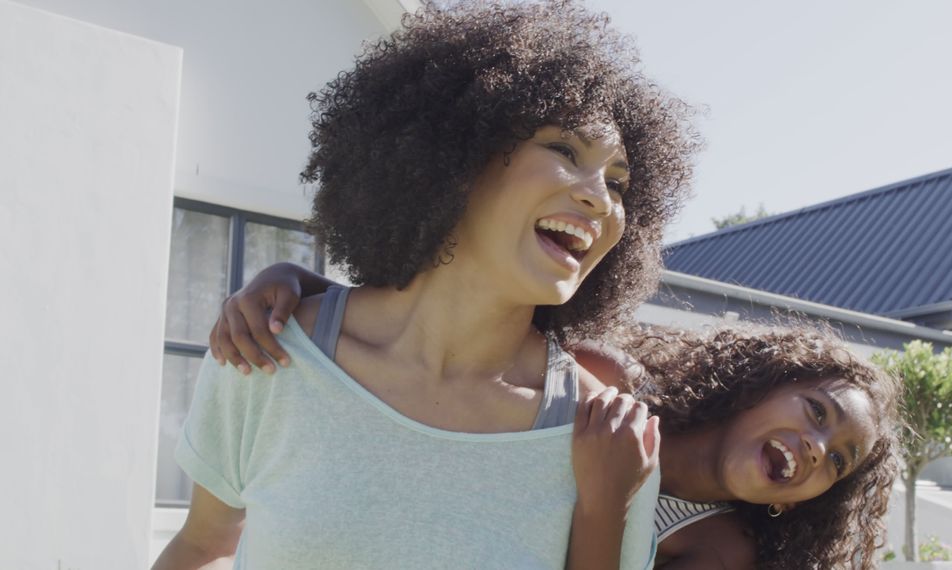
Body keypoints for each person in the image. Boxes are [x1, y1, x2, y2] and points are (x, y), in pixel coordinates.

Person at [153, 1, 699, 569]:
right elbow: (201, 547)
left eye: (618, 184)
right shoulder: (268, 349)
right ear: (457, 152)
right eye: (565, 150)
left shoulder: (607, 438)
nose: (599, 198)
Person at [212, 267, 902, 570]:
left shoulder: (719, 552)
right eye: (816, 413)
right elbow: (454, 337)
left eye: (836, 460)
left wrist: (609, 504)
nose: (816, 447)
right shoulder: (607, 380)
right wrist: (299, 287)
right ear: (761, 387)